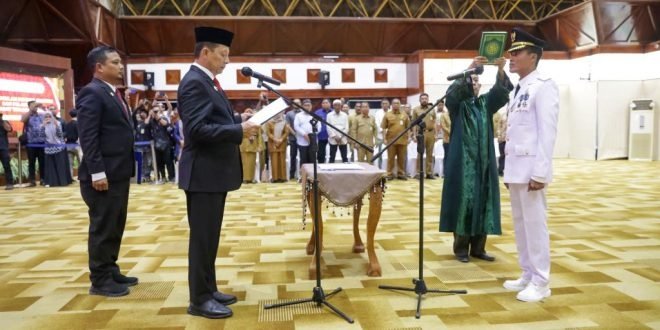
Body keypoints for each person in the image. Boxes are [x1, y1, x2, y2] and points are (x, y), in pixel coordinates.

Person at [177, 26, 260, 319]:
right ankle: (198, 300)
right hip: (202, 174)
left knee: (210, 237)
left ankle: (208, 288)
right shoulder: (194, 83)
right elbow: (197, 130)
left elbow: (212, 119)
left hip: (212, 173)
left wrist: (239, 119)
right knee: (202, 238)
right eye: (223, 54)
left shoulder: (207, 82)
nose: (227, 60)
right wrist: (239, 129)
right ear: (205, 53)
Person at [502, 28, 559, 303]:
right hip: (516, 170)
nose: (510, 57)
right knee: (521, 224)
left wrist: (540, 172)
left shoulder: (544, 85)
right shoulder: (519, 89)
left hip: (532, 172)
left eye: (517, 53)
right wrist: (509, 170)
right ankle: (527, 273)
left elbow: (547, 133)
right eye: (511, 53)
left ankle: (541, 281)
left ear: (533, 57)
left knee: (535, 225)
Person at [439, 55, 512, 264]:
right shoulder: (458, 106)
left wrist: (499, 69)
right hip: (463, 164)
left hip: (484, 163)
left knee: (484, 201)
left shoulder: (484, 104)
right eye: (472, 81)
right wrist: (471, 68)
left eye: (477, 81)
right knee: (465, 202)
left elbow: (500, 93)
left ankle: (479, 248)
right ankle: (461, 248)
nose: (475, 84)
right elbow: (451, 95)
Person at [77, 46, 136, 297]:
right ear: (99, 67)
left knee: (115, 223)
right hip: (103, 175)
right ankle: (99, 280)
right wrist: (97, 172)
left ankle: (110, 268)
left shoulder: (111, 93)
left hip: (118, 172)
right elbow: (88, 137)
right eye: (115, 62)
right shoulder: (92, 92)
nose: (120, 66)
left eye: (120, 61)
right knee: (102, 226)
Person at [40, 111, 72, 187]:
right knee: (50, 167)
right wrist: (43, 127)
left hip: (59, 147)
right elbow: (41, 137)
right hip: (48, 148)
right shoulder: (42, 126)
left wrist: (56, 126)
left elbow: (60, 135)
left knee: (60, 165)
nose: (48, 118)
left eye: (49, 116)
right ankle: (52, 182)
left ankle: (62, 182)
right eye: (46, 117)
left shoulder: (57, 123)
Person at [381, 98, 409, 180]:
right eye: (394, 103)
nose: (396, 105)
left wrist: (409, 137)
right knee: (390, 158)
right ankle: (389, 174)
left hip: (402, 140)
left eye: (397, 103)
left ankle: (400, 173)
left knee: (401, 158)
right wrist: (384, 139)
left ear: (400, 104)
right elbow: (383, 128)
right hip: (391, 140)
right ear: (391, 105)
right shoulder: (387, 115)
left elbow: (408, 127)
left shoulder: (404, 115)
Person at [412, 93, 437, 179]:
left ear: (428, 99)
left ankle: (429, 173)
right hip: (421, 133)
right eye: (422, 98)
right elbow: (414, 124)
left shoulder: (432, 109)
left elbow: (434, 122)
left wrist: (436, 134)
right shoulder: (416, 110)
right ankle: (419, 173)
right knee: (420, 153)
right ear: (419, 100)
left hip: (430, 133)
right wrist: (414, 135)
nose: (424, 100)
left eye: (426, 98)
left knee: (430, 154)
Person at [21, 101, 45, 186]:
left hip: (41, 142)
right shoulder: (26, 115)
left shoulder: (41, 115)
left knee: (42, 162)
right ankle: (32, 180)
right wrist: (31, 111)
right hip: (31, 143)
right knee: (31, 162)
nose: (35, 106)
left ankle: (43, 179)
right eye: (33, 105)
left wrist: (43, 108)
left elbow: (49, 119)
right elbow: (23, 120)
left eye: (36, 105)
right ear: (29, 106)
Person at [294, 99, 320, 166]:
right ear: (302, 106)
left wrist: (311, 134)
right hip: (302, 141)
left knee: (312, 159)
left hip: (312, 141)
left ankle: (312, 176)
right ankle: (303, 176)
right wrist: (304, 134)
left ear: (311, 106)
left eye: (308, 105)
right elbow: (296, 126)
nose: (307, 107)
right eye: (305, 105)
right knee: (303, 159)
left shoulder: (314, 115)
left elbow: (319, 127)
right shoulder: (298, 115)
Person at [239, 108, 262, 184]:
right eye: (247, 112)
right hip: (243, 145)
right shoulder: (241, 124)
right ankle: (244, 179)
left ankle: (251, 179)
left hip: (253, 145)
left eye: (250, 112)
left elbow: (260, 136)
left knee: (252, 163)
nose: (248, 114)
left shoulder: (256, 124)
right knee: (243, 164)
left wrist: (260, 146)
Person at [266, 114, 290, 182]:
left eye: (279, 114)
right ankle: (275, 178)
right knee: (274, 161)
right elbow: (268, 133)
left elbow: (286, 132)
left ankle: (283, 178)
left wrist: (281, 139)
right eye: (276, 114)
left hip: (282, 143)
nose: (277, 115)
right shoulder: (269, 122)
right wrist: (275, 139)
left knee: (282, 161)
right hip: (273, 143)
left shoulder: (284, 122)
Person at [285, 99, 301, 180]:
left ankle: (302, 174)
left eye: (298, 103)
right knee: (293, 156)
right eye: (295, 103)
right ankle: (292, 174)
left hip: (303, 138)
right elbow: (287, 125)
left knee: (303, 156)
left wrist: (300, 134)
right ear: (292, 104)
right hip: (293, 138)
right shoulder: (289, 113)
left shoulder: (303, 113)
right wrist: (295, 134)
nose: (296, 104)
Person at [314, 99, 332, 163]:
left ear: (330, 104)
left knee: (332, 153)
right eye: (323, 103)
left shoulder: (333, 112)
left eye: (326, 102)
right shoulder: (317, 112)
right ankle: (321, 166)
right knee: (321, 154)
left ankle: (331, 167)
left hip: (332, 136)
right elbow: (314, 124)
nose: (324, 104)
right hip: (321, 136)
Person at [0, 113, 14, 190]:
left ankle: (9, 183)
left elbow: (9, 129)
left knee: (6, 166)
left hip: (3, 147)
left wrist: (2, 121)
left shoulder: (4, 122)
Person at [439, 102, 451, 175]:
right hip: (447, 139)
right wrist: (453, 132)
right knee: (447, 156)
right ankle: (446, 173)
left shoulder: (457, 114)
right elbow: (443, 126)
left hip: (456, 140)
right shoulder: (444, 115)